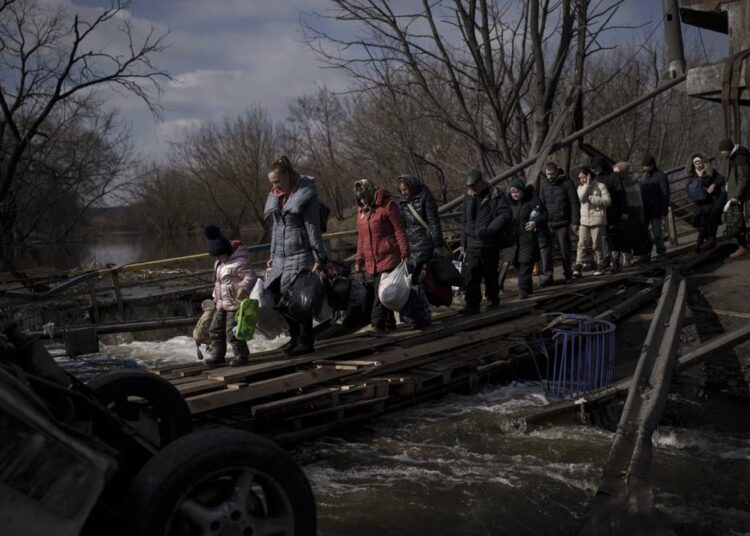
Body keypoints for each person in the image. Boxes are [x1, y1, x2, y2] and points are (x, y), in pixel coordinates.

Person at [264, 155, 332, 356]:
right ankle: (294, 338)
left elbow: (313, 230)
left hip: (301, 253)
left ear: (288, 175)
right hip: (282, 256)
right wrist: (272, 253)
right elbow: (276, 228)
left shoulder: (306, 194)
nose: (275, 186)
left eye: (277, 181)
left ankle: (306, 341)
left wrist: (320, 259)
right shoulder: (277, 195)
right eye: (272, 183)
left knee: (299, 298)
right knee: (277, 294)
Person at [353, 178, 410, 333]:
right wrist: (359, 259)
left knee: (382, 293)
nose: (363, 201)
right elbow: (361, 237)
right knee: (382, 291)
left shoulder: (388, 205)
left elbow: (399, 229)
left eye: (365, 197)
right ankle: (389, 324)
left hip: (389, 255)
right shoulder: (361, 212)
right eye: (360, 198)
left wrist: (404, 251)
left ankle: (376, 324)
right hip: (372, 260)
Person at [203, 224, 258, 367]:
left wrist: (243, 288)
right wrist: (215, 296)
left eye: (220, 255)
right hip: (221, 304)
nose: (219, 259)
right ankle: (217, 355)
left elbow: (251, 276)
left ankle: (241, 355)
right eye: (216, 257)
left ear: (226, 251)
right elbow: (218, 283)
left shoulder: (239, 263)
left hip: (235, 304)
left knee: (233, 331)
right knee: (215, 329)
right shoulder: (218, 265)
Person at [460, 169, 511, 314]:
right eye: (470, 188)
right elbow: (464, 220)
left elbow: (505, 214)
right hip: (472, 243)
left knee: (490, 274)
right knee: (472, 275)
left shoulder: (496, 194)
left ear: (481, 183)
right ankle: (472, 304)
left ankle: (492, 299)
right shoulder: (468, 197)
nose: (472, 190)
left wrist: (491, 229)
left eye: (474, 187)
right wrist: (463, 242)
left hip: (489, 242)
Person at [396, 174, 444, 284]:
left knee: (424, 278)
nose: (404, 192)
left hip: (425, 244)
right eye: (401, 190)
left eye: (405, 189)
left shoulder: (425, 197)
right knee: (414, 280)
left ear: (412, 186)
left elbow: (433, 221)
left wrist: (437, 244)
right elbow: (402, 226)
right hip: (411, 245)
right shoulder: (402, 202)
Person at [537, 162, 580, 285]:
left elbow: (574, 203)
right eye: (547, 174)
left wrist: (575, 221)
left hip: (562, 223)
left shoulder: (567, 183)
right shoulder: (544, 185)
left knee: (564, 250)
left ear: (556, 172)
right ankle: (547, 276)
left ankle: (568, 274)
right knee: (546, 251)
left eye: (552, 174)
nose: (550, 176)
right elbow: (541, 205)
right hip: (548, 224)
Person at [506, 177, 546, 299]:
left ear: (522, 191)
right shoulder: (509, 204)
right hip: (514, 240)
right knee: (517, 264)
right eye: (513, 192)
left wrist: (535, 222)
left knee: (525, 263)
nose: (515, 195)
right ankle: (528, 287)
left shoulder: (532, 201)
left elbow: (545, 214)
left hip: (528, 238)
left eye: (517, 191)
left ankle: (522, 290)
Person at [574, 165, 611, 277]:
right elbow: (580, 199)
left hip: (598, 220)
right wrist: (587, 186)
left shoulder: (601, 186)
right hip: (584, 221)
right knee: (582, 243)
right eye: (580, 178)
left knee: (596, 244)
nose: (582, 180)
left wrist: (592, 199)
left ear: (589, 175)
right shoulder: (581, 187)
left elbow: (608, 201)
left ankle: (600, 265)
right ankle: (578, 266)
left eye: (583, 177)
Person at [684, 153, 725, 251]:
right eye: (696, 163)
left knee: (711, 224)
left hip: (711, 202)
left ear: (703, 163)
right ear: (693, 165)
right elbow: (689, 189)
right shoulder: (692, 176)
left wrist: (714, 185)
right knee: (701, 225)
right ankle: (700, 243)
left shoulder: (710, 172)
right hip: (699, 204)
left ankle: (710, 242)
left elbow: (722, 179)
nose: (698, 165)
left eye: (700, 163)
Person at [719, 138, 750, 257]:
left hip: (738, 195)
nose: (721, 153)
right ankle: (742, 245)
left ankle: (742, 246)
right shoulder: (735, 158)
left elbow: (744, 178)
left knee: (737, 220)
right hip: (735, 193)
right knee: (737, 219)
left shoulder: (739, 159)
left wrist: (735, 196)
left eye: (722, 151)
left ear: (727, 149)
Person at [640, 154, 670, 259]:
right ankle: (645, 253)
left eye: (647, 166)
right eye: (644, 166)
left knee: (657, 232)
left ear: (652, 165)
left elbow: (665, 193)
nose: (645, 168)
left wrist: (664, 208)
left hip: (656, 209)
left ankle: (661, 251)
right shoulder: (644, 177)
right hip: (645, 209)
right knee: (644, 232)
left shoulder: (660, 176)